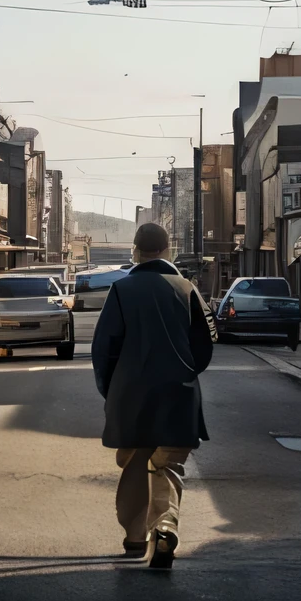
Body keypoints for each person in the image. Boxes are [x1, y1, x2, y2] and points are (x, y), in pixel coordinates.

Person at [91, 222, 216, 569]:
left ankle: (134, 537)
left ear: (136, 251)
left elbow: (103, 349)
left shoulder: (121, 289)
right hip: (178, 396)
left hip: (130, 397)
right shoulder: (186, 288)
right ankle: (163, 528)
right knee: (167, 466)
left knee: (133, 463)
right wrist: (185, 374)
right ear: (167, 251)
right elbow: (205, 344)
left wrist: (112, 391)